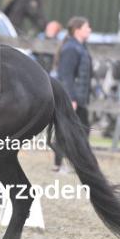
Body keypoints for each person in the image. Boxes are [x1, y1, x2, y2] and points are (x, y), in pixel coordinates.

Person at [53, 16, 93, 170]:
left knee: (80, 130)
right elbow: (66, 75)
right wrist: (71, 98)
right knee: (69, 130)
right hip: (73, 97)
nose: (90, 30)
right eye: (87, 27)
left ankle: (70, 164)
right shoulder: (71, 48)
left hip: (80, 98)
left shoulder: (80, 47)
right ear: (77, 30)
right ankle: (62, 164)